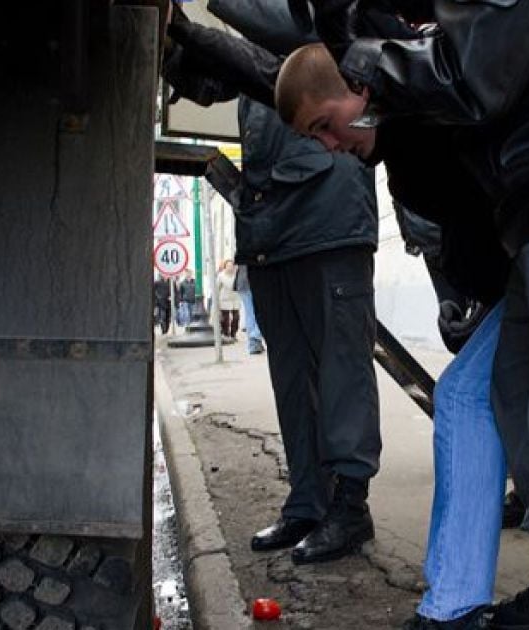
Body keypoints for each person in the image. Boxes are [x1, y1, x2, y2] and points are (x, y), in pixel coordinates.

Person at [276, 0, 529, 624]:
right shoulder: (409, 136)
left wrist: (357, 51)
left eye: (329, 126)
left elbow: (477, 68)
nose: (332, 147)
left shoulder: (416, 116)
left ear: (357, 95)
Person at [164, 9, 383, 565]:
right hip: (270, 223)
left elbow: (269, 57)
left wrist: (194, 28)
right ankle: (308, 502)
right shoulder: (248, 31)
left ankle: (350, 508)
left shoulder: (312, 18)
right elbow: (213, 81)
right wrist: (168, 43)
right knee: (292, 379)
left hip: (327, 216)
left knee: (341, 374)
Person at [235, 264, 266, 354]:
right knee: (261, 312)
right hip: (253, 283)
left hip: (241, 284)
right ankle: (255, 336)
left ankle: (253, 345)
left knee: (250, 314)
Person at [216, 259, 242, 339]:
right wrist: (216, 300)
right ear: (225, 267)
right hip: (224, 299)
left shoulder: (236, 275)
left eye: (231, 266)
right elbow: (217, 288)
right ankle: (225, 334)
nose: (230, 267)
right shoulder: (221, 275)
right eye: (228, 266)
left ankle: (233, 334)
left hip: (235, 299)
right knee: (225, 319)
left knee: (236, 317)